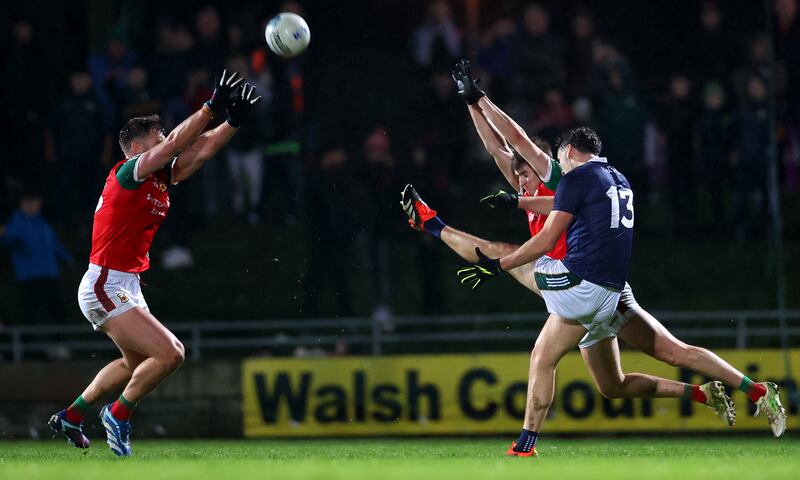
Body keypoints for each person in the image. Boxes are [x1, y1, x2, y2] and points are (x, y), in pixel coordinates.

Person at [402, 60, 787, 455]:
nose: (520, 176)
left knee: (511, 273)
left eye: (526, 172)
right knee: (614, 386)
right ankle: (707, 394)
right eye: (516, 175)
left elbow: (517, 140)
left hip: (576, 283)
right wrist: (470, 103)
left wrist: (483, 98)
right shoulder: (547, 189)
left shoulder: (560, 177)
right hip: (602, 289)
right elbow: (495, 147)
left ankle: (432, 225)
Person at [47, 69, 261, 457]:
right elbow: (180, 141)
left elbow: (200, 150)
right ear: (140, 146)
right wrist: (211, 107)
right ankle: (118, 413)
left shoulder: (161, 177)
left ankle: (73, 415)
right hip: (105, 283)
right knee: (172, 353)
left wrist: (232, 122)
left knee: (136, 364)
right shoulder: (129, 172)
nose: (166, 142)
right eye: (158, 138)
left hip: (123, 283)